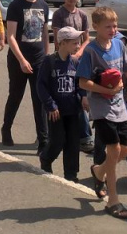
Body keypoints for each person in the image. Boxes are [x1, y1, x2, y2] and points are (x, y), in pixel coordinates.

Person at [77, 6, 127, 220]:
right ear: (96, 27)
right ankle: (113, 201)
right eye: (108, 26)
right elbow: (83, 82)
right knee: (114, 151)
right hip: (102, 109)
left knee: (125, 151)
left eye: (115, 26)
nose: (113, 30)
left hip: (121, 107)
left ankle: (98, 171)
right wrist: (107, 91)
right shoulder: (91, 51)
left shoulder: (119, 45)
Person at [2, 0, 50, 152]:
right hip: (18, 60)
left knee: (40, 99)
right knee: (16, 95)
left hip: (38, 60)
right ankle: (6, 129)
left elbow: (45, 34)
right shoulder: (16, 6)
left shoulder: (43, 5)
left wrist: (46, 58)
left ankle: (43, 139)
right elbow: (11, 37)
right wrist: (22, 60)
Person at [38, 26, 88, 182]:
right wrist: (50, 105)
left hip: (73, 109)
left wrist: (83, 96)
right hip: (56, 111)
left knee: (73, 142)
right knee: (57, 140)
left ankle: (71, 174)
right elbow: (41, 85)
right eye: (75, 43)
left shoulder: (75, 62)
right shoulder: (50, 61)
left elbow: (80, 84)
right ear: (63, 43)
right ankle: (46, 158)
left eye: (79, 42)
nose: (78, 46)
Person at [51, 0, 93, 154]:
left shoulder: (82, 15)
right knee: (65, 95)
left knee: (81, 95)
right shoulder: (59, 14)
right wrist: (68, 55)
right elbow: (58, 39)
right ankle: (59, 132)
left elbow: (87, 39)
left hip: (79, 60)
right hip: (63, 60)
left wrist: (79, 53)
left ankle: (84, 137)